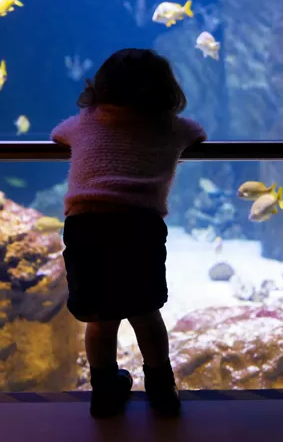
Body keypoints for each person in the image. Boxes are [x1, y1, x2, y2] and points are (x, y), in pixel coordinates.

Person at [50, 48, 206, 418]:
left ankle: (104, 391)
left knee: (100, 320)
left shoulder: (84, 123)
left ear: (99, 87)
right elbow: (197, 133)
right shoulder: (170, 126)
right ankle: (161, 390)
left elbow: (58, 134)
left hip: (87, 227)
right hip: (139, 227)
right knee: (146, 313)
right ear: (166, 90)